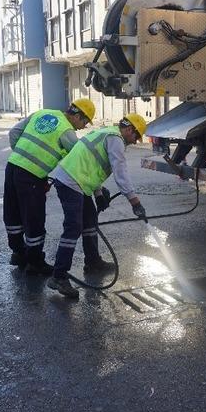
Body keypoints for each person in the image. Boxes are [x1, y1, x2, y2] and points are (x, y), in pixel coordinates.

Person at [47, 113, 149, 298]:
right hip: (71, 181)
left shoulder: (107, 133)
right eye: (136, 136)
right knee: (73, 228)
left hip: (78, 181)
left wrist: (99, 193)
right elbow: (121, 173)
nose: (135, 141)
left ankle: (93, 261)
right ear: (128, 129)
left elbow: (90, 164)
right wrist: (135, 202)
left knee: (90, 221)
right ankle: (59, 276)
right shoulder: (115, 139)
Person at [3, 99, 96, 275]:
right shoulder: (66, 132)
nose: (83, 127)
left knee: (13, 212)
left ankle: (18, 252)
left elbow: (14, 132)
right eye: (84, 122)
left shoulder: (42, 113)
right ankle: (35, 261)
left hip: (12, 167)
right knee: (34, 218)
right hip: (31, 177)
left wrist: (21, 156)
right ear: (76, 116)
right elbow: (77, 162)